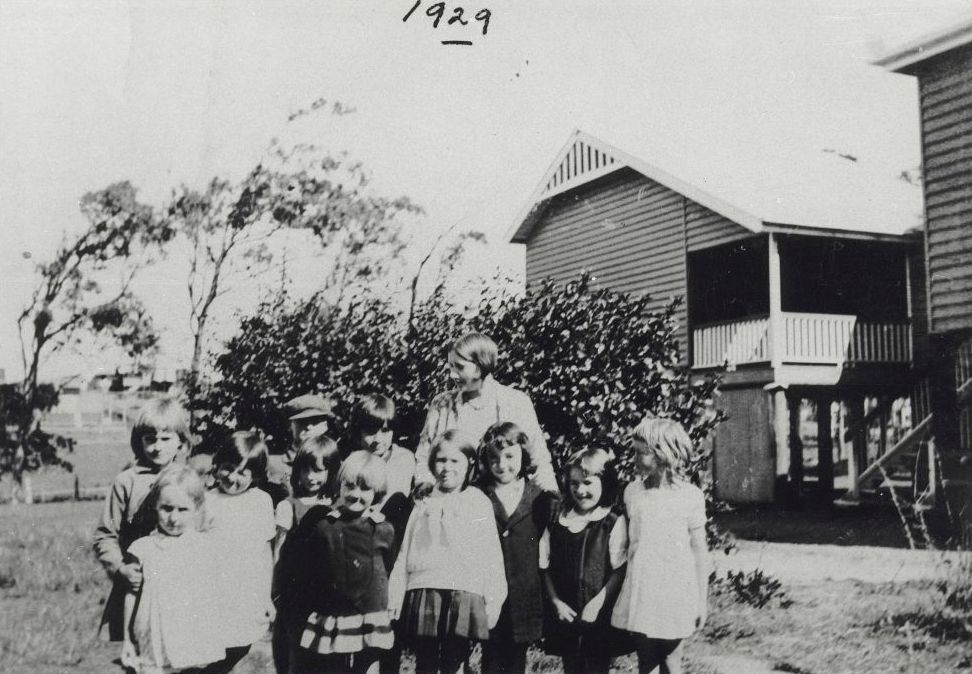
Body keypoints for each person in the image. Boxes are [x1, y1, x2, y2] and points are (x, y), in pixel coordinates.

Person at [388, 430, 507, 674]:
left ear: (470, 462)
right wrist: (396, 592)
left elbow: (491, 554)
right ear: (432, 463)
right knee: (426, 661)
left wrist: (494, 599)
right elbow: (406, 549)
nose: (447, 467)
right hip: (426, 588)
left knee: (456, 660)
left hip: (464, 589)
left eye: (455, 461)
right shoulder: (423, 501)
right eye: (441, 460)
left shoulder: (477, 501)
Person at [279, 451, 397, 674]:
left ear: (377, 491)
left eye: (365, 489)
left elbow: (388, 565)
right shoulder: (326, 527)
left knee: (369, 662)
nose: (356, 494)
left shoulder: (383, 528)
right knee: (334, 663)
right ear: (339, 485)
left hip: (371, 608)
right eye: (350, 486)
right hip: (335, 608)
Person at [611, 418, 711, 674]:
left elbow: (699, 552)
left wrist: (701, 600)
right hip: (643, 589)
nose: (633, 458)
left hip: (675, 592)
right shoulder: (633, 492)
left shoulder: (689, 496)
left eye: (640, 452)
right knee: (647, 662)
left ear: (663, 454)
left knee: (670, 660)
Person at [94, 397, 190, 641]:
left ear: (181, 441)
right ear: (139, 441)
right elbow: (105, 535)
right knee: (137, 648)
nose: (157, 447)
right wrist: (120, 569)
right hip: (137, 584)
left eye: (166, 439)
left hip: (180, 584)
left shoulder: (189, 480)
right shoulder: (126, 482)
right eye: (150, 439)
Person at [414, 332, 557, 493]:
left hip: (505, 499)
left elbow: (539, 460)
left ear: (481, 365)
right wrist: (425, 487)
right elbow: (424, 458)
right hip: (453, 499)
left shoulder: (517, 402)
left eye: (459, 367)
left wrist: (551, 494)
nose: (452, 374)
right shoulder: (442, 405)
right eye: (451, 366)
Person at [120, 464, 224, 674]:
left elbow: (211, 592)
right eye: (167, 508)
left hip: (190, 636)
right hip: (154, 635)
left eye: (182, 509)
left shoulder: (202, 546)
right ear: (155, 506)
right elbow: (132, 594)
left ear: (196, 507)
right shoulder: (143, 548)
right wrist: (127, 638)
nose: (173, 518)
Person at [477, 422, 558, 674]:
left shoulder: (539, 498)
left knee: (516, 661)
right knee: (491, 660)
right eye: (494, 458)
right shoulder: (478, 494)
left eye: (510, 456)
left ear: (523, 454)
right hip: (489, 594)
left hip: (523, 597)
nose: (502, 465)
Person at [541, 448, 629, 674]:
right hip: (566, 612)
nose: (580, 490)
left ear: (604, 482)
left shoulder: (611, 521)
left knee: (596, 666)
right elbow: (545, 566)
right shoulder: (559, 520)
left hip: (598, 612)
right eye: (574, 483)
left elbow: (619, 570)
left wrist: (598, 603)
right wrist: (556, 602)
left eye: (588, 483)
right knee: (571, 666)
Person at [206, 430, 276, 673]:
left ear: (255, 475)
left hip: (246, 590)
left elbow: (265, 553)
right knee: (212, 649)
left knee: (241, 645)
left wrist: (266, 596)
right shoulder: (206, 500)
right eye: (228, 468)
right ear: (217, 466)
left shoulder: (261, 501)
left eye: (242, 472)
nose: (232, 477)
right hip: (215, 588)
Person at [271, 434, 341, 674]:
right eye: (306, 470)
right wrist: (276, 590)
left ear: (331, 471)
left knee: (322, 654)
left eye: (319, 470)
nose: (311, 477)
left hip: (325, 594)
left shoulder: (336, 507)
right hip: (295, 592)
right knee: (293, 652)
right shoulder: (289, 506)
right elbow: (279, 551)